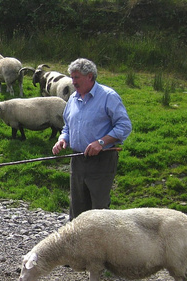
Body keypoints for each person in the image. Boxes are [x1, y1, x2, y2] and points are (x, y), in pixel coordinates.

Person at [51, 58, 132, 218]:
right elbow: (67, 126)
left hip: (102, 160)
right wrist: (63, 139)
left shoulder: (108, 96)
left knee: (99, 210)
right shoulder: (73, 99)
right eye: (72, 77)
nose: (73, 82)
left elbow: (124, 126)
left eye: (76, 77)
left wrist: (101, 143)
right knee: (77, 207)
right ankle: (78, 242)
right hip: (78, 160)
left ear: (89, 76)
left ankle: (101, 242)